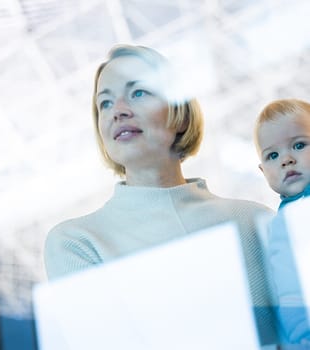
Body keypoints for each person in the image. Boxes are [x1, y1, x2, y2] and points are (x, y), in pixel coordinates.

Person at [45, 44, 276, 344]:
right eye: (105, 103)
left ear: (179, 113)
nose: (118, 111)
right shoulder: (75, 243)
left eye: (138, 92)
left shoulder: (255, 221)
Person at [254, 98, 310, 346]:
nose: (286, 160)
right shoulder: (282, 226)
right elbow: (289, 290)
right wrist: (302, 335)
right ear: (263, 171)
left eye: (299, 145)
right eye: (273, 155)